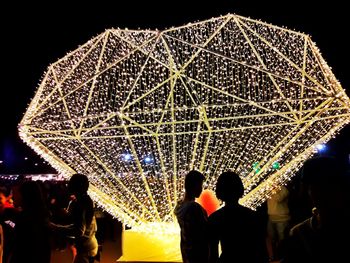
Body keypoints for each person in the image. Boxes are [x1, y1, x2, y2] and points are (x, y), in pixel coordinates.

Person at [282, 156, 350, 262]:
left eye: (328, 185)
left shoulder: (301, 233)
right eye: (317, 187)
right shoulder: (300, 233)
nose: (324, 193)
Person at [208, 171, 267, 263]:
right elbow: (261, 249)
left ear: (220, 191)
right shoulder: (253, 216)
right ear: (240, 189)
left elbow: (213, 253)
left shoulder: (215, 218)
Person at [50, 173, 98, 263]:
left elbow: (78, 231)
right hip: (90, 244)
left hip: (85, 249)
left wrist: (54, 227)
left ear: (76, 186)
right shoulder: (86, 199)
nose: (68, 185)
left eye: (70, 183)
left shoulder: (81, 203)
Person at [9, 181, 51, 263]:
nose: (12, 197)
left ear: (25, 196)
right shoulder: (41, 212)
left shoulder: (27, 217)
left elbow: (21, 247)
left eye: (16, 193)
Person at [175, 170, 209, 263]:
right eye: (200, 185)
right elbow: (205, 232)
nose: (201, 189)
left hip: (186, 252)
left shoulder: (179, 206)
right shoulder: (194, 208)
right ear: (194, 186)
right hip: (199, 255)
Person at [266, 185, 291, 261]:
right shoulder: (268, 188)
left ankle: (284, 257)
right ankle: (275, 256)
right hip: (271, 217)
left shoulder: (283, 189)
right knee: (271, 238)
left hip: (282, 218)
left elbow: (279, 199)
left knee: (283, 239)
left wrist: (273, 189)